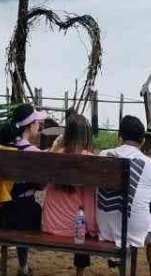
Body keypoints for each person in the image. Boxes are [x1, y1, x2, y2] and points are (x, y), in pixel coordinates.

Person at [97, 115, 151, 276]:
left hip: (104, 228)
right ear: (142, 141)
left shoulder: (103, 154)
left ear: (119, 137)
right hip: (134, 231)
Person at [0, 104, 45, 276]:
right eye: (37, 121)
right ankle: (23, 266)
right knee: (32, 207)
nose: (39, 125)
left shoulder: (0, 147)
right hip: (21, 216)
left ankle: (19, 263)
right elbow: (41, 185)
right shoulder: (32, 151)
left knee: (23, 203)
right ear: (29, 126)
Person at [44, 114, 98, 276]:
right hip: (75, 229)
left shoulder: (54, 154)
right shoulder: (89, 159)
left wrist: (56, 146)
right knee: (84, 225)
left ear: (66, 133)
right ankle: (80, 272)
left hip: (49, 223)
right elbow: (89, 201)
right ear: (86, 135)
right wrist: (94, 229)